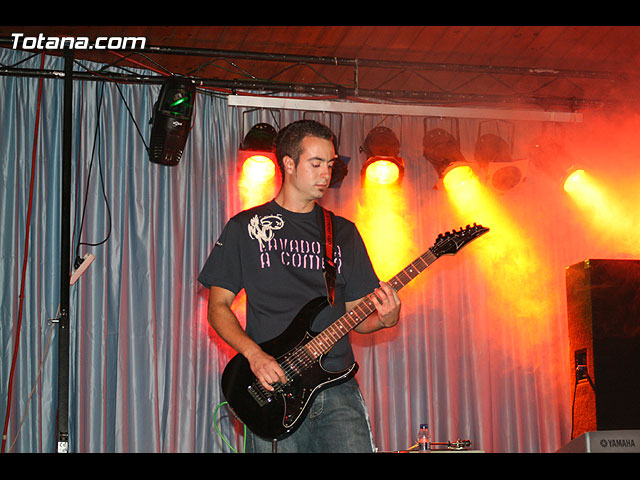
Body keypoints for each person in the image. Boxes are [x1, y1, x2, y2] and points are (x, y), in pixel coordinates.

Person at [198, 119, 401, 453]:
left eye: (330, 165)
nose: (326, 174)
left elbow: (358, 317)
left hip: (336, 384)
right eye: (316, 163)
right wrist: (255, 356)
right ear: (289, 164)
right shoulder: (245, 227)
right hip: (273, 386)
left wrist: (385, 319)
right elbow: (217, 308)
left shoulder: (343, 232)